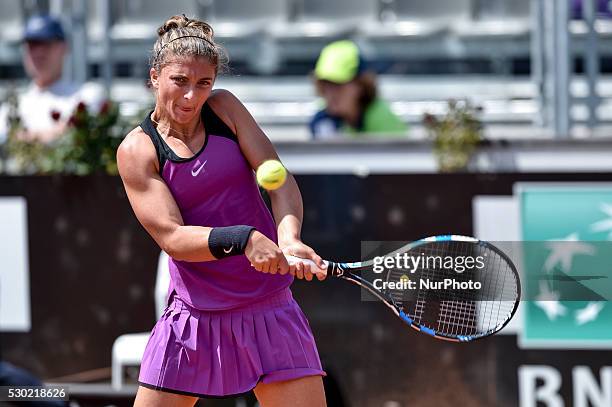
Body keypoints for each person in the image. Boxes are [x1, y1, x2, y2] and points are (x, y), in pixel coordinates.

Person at [116, 15, 327, 407]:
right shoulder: (138, 150)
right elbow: (173, 238)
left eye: (203, 83)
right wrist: (243, 239)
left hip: (269, 310)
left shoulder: (226, 110)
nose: (191, 97)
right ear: (155, 77)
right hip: (195, 317)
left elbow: (279, 182)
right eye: (179, 81)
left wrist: (289, 237)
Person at [0, 14, 105, 144]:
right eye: (32, 45)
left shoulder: (87, 95)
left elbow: (75, 133)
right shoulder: (13, 106)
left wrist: (23, 137)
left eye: (46, 44)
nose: (38, 53)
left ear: (64, 47)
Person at [309, 40, 407, 139]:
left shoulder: (383, 119)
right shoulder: (322, 120)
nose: (330, 94)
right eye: (325, 85)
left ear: (360, 85)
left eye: (338, 85)